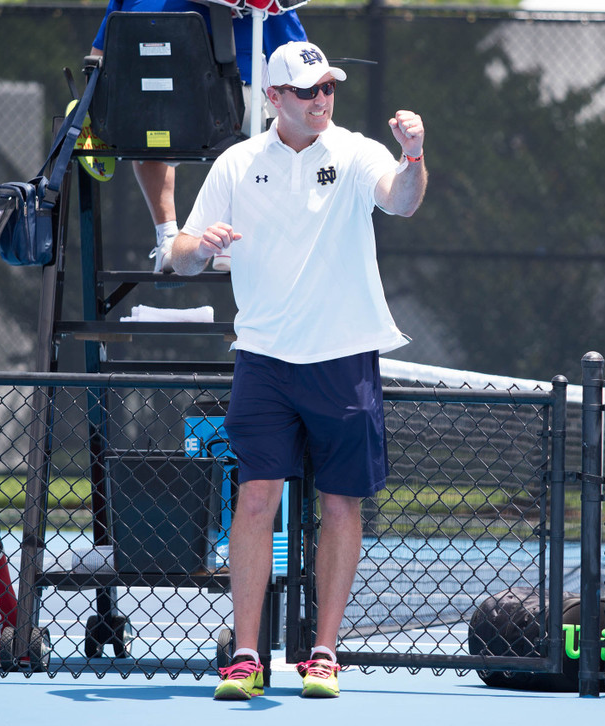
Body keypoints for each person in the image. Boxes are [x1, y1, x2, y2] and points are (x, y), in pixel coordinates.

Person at [169, 40, 427, 700]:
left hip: (344, 357)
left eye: (328, 87)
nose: (321, 99)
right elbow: (182, 254)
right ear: (275, 98)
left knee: (340, 502)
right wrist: (203, 246)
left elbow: (401, 201)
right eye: (308, 90)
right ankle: (246, 656)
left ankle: (324, 655)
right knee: (256, 499)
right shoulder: (236, 163)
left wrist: (413, 156)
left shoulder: (358, 151)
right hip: (263, 360)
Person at [89, 0, 307, 277]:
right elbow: (299, 59)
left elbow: (97, 58)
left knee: (144, 118)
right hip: (228, 116)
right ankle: (234, 233)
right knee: (283, 116)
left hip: (142, 120)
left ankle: (168, 238)